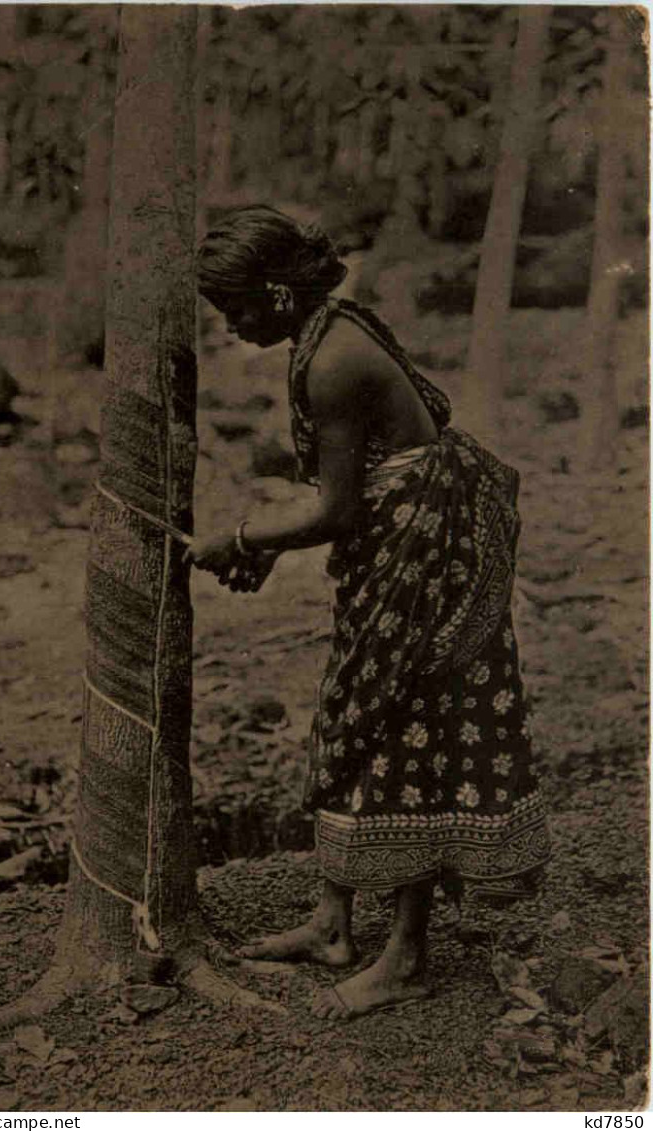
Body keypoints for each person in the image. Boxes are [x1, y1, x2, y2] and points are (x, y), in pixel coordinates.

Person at [189, 205, 551, 1019]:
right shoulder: (326, 330)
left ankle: (408, 956)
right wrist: (270, 546)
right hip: (401, 550)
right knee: (353, 711)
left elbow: (340, 510)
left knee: (401, 728)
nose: (233, 326)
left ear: (279, 294)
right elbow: (350, 495)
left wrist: (242, 536)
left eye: (238, 308)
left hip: (427, 564)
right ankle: (332, 923)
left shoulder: (333, 361)